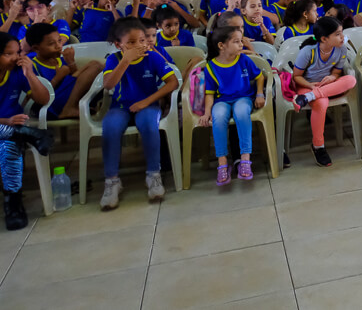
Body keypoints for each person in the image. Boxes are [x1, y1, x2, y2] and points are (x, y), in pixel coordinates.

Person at [99, 17, 179, 210]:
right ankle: (112, 181)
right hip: (120, 106)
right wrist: (125, 60)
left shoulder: (153, 57)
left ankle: (153, 175)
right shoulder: (114, 59)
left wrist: (146, 101)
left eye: (142, 40)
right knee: (110, 127)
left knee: (149, 125)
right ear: (119, 45)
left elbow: (173, 83)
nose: (139, 45)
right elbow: (108, 85)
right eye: (131, 42)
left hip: (148, 104)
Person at [0, 29, 53, 229]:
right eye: (8, 54)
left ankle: (13, 204)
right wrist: (6, 121)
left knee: (9, 147)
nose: (15, 58)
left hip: (9, 131)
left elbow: (44, 99)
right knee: (13, 137)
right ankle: (26, 134)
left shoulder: (16, 72)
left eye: (17, 52)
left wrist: (29, 74)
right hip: (8, 124)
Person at [197, 26, 264, 185]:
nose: (241, 44)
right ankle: (222, 163)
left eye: (241, 41)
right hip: (222, 101)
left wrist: (260, 94)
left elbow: (260, 76)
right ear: (222, 45)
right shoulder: (211, 66)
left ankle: (245, 159)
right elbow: (209, 93)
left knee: (241, 113)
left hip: (243, 98)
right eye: (236, 41)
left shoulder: (244, 59)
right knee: (218, 117)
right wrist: (207, 112)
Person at [291, 17, 358, 167]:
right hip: (307, 85)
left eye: (342, 33)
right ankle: (318, 147)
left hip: (326, 86)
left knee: (351, 80)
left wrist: (332, 77)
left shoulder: (341, 49)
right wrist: (310, 86)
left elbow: (337, 73)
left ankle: (307, 98)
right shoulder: (308, 51)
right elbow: (296, 77)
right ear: (324, 38)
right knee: (321, 104)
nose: (342, 37)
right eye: (337, 34)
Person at [27, 23, 102, 120]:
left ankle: (73, 106)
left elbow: (78, 83)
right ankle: (69, 108)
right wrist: (57, 78)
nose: (58, 46)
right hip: (50, 105)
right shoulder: (33, 66)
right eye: (51, 44)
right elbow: (39, 98)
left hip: (66, 97)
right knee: (96, 67)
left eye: (59, 41)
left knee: (95, 64)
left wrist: (71, 62)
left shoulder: (61, 60)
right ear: (36, 48)